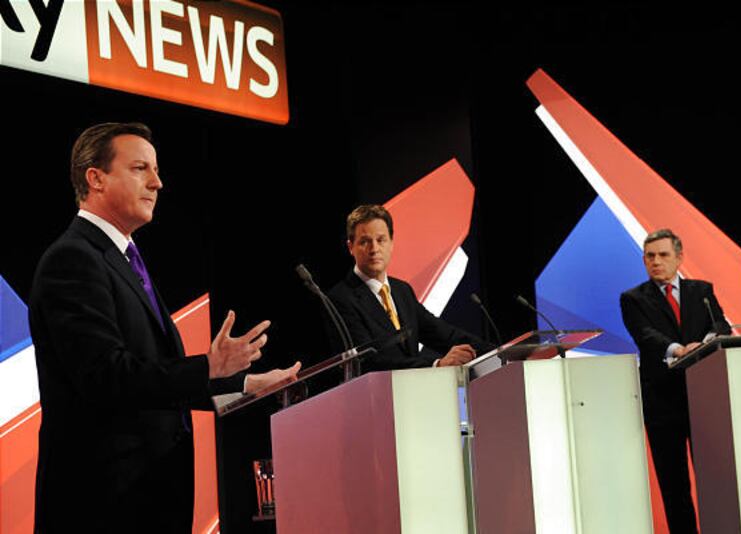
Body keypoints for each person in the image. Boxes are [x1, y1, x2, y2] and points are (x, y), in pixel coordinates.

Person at [28, 122, 300, 533]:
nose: (157, 182)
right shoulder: (73, 258)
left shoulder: (124, 259)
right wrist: (209, 366)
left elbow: (157, 379)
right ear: (96, 178)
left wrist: (246, 386)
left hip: (149, 502)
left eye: (155, 170)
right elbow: (107, 378)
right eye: (141, 168)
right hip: (103, 506)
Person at [620, 228, 730, 533]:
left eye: (663, 255)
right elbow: (645, 335)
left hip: (704, 398)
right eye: (649, 256)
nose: (656, 262)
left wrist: (706, 343)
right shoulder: (633, 299)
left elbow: (720, 324)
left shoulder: (702, 290)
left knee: (715, 480)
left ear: (679, 258)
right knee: (674, 486)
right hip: (662, 403)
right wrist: (680, 350)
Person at [327, 204, 490, 372]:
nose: (374, 249)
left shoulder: (402, 291)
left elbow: (443, 334)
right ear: (350, 247)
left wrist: (500, 352)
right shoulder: (340, 299)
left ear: (391, 243)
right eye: (364, 242)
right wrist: (436, 365)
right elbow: (368, 362)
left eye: (381, 240)